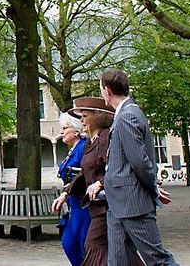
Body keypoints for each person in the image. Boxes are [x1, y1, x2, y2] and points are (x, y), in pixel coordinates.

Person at [100, 70, 179, 266]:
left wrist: (153, 187)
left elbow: (139, 161)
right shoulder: (126, 114)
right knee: (118, 262)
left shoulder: (128, 116)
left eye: (101, 89)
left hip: (133, 203)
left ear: (107, 91)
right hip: (118, 203)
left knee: (158, 260)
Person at [54, 97, 113, 265]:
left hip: (99, 205)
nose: (81, 121)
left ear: (98, 117)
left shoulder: (105, 138)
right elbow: (84, 173)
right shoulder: (89, 143)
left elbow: (115, 168)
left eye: (85, 116)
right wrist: (65, 194)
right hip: (87, 204)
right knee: (85, 246)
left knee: (91, 247)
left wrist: (99, 183)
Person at [51, 112, 90, 266]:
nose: (61, 132)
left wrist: (65, 194)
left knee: (79, 243)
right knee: (69, 242)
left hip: (82, 204)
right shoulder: (74, 149)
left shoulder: (82, 147)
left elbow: (85, 173)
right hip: (74, 204)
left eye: (65, 128)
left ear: (76, 130)